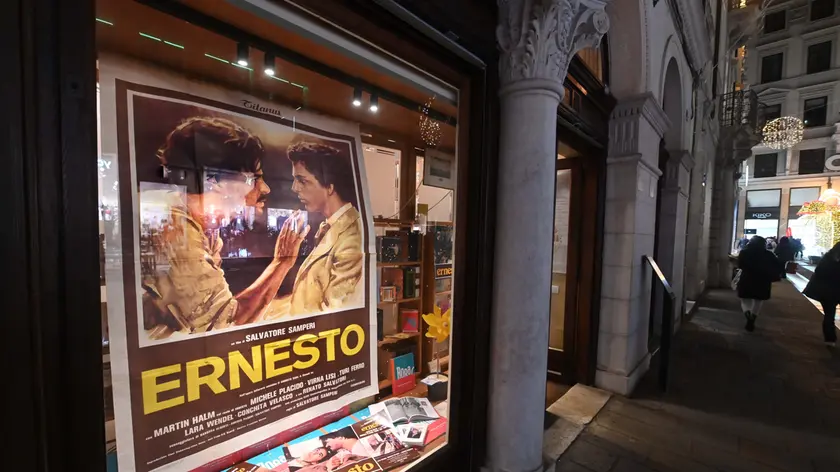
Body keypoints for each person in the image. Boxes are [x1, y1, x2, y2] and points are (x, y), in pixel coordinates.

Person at [141, 117, 311, 339]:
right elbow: (224, 323)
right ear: (213, 180)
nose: (265, 188)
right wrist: (281, 263)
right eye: (255, 178)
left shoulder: (206, 229)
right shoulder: (171, 224)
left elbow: (220, 308)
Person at [268, 141, 364, 317]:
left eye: (302, 180)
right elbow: (310, 298)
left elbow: (335, 312)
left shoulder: (352, 237)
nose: (294, 188)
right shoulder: (331, 227)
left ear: (330, 187)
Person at [736, 236, 784, 332]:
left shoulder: (744, 252)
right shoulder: (769, 254)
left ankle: (747, 315)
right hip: (763, 280)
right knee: (758, 301)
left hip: (747, 279)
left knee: (745, 300)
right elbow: (778, 266)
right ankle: (753, 318)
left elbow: (740, 265)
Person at [804, 242, 840, 345]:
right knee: (829, 315)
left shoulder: (826, 259)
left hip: (826, 293)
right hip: (833, 291)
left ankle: (830, 339)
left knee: (829, 315)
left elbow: (818, 272)